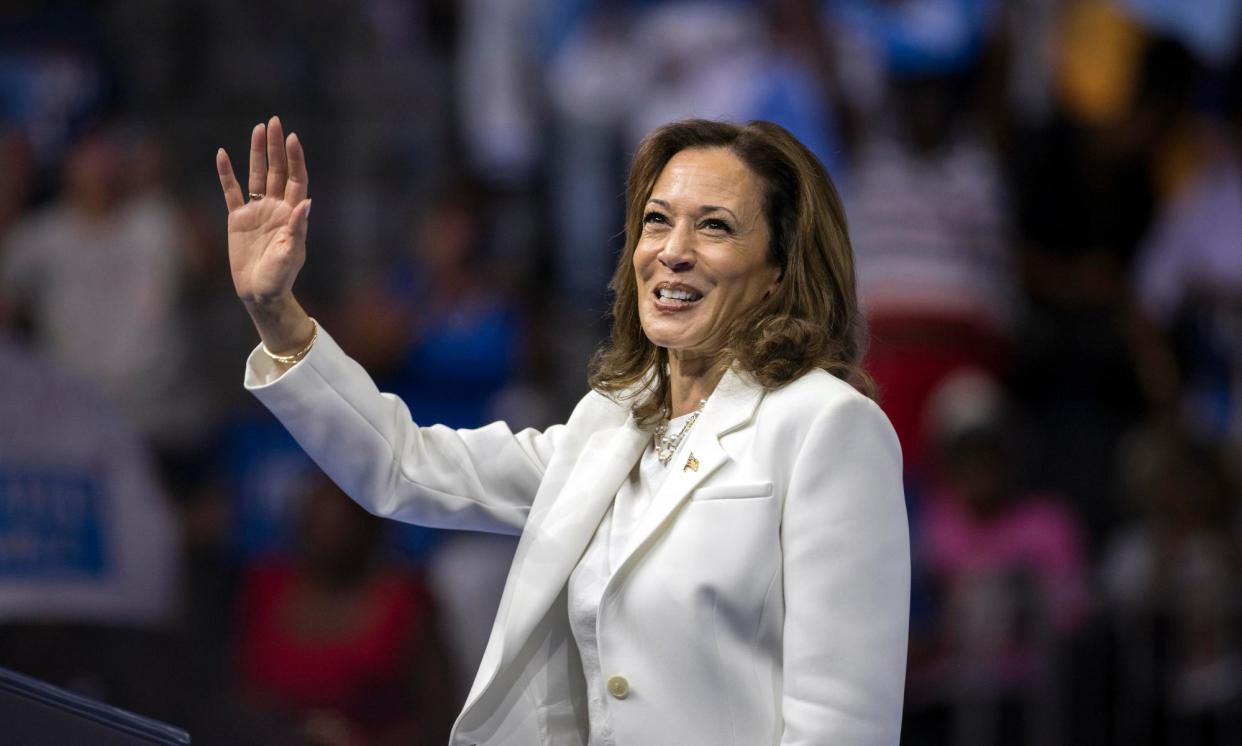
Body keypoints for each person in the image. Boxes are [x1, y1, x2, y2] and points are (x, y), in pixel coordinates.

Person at [215, 115, 910, 745]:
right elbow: (405, 466)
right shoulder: (609, 425)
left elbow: (842, 724)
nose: (672, 251)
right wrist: (277, 313)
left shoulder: (827, 426)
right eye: (658, 220)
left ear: (779, 269)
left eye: (716, 226)